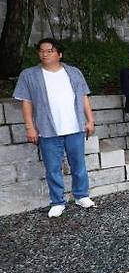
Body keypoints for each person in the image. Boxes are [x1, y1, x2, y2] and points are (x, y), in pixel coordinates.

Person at [12, 38, 96, 218]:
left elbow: (83, 97)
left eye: (49, 50)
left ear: (59, 54)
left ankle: (82, 195)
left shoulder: (73, 72)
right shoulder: (29, 75)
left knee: (78, 164)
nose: (44, 54)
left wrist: (90, 120)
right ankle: (57, 201)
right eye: (41, 50)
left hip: (75, 127)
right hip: (48, 130)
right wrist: (30, 128)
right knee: (52, 168)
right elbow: (26, 103)